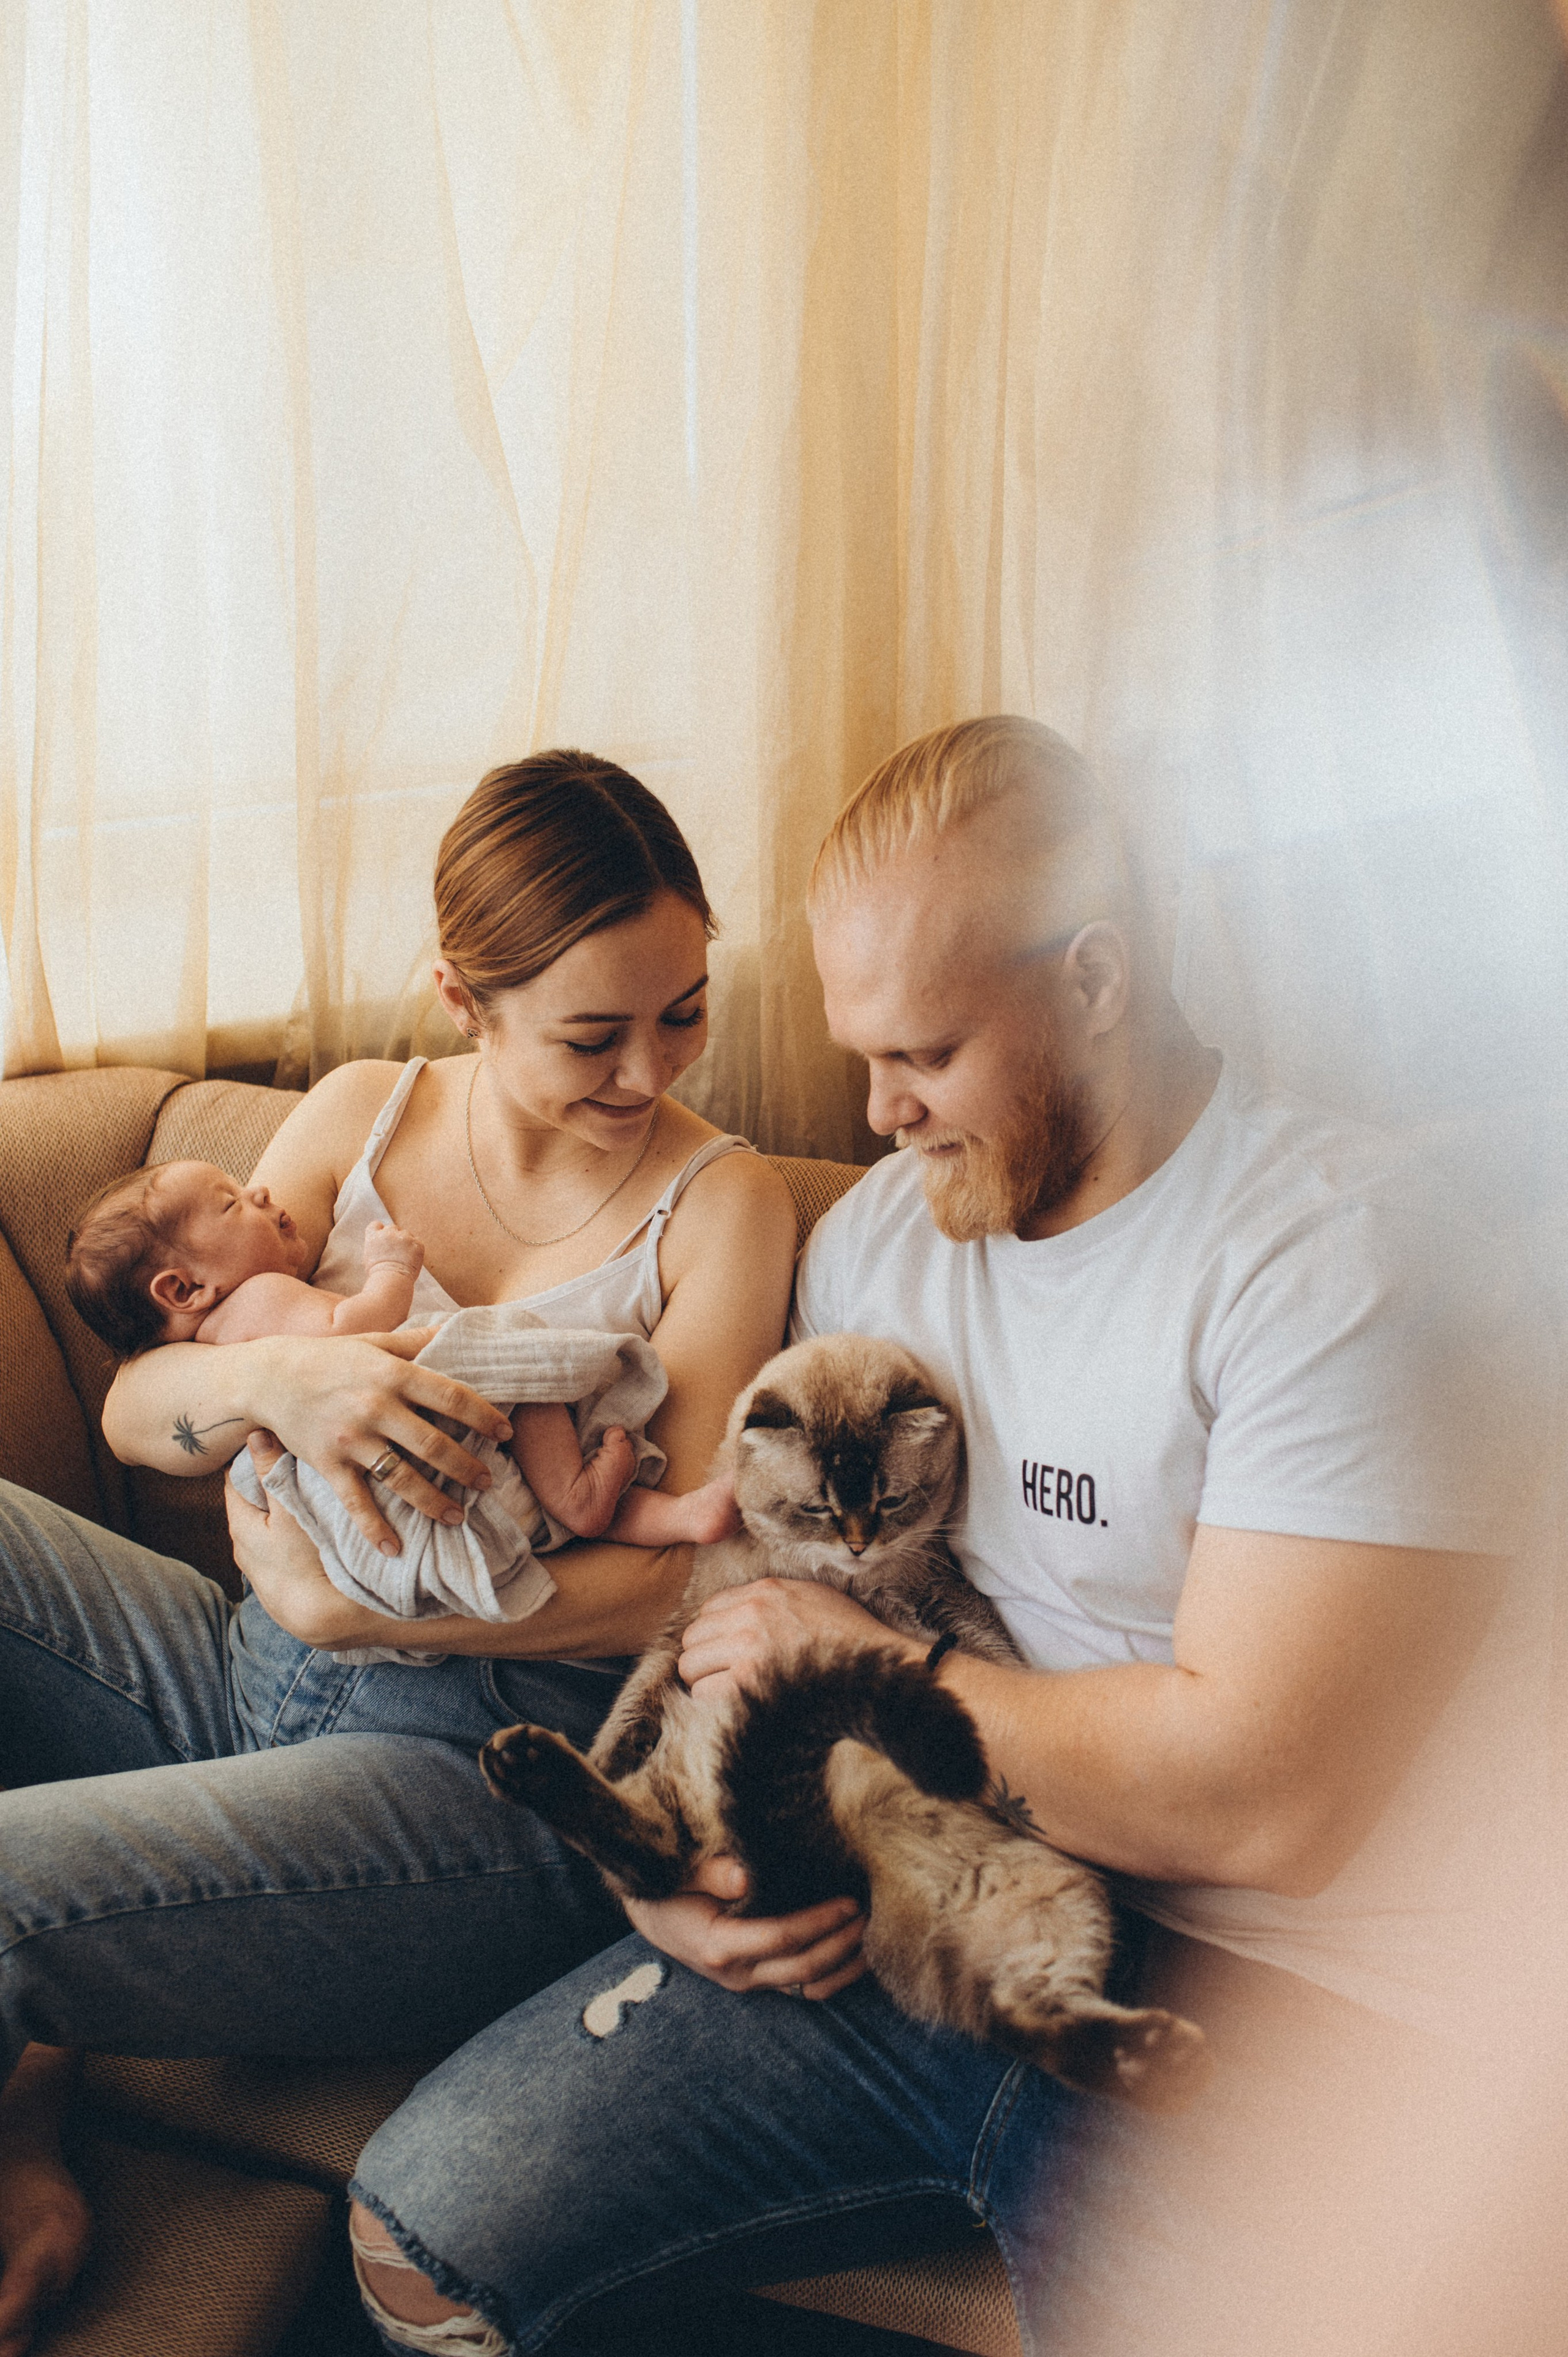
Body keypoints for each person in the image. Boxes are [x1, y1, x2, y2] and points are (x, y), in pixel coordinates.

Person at [334, 717, 1548, 2357]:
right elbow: (750, 1600)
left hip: (1293, 1997)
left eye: (922, 1052)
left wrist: (862, 1668)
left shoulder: (1338, 1265)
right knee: (420, 2236)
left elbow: (1263, 1803)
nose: (879, 1110)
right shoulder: (884, 1243)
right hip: (929, 1889)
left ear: (1095, 980)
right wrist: (672, 1885)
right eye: (862, 1055)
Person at [0, 749, 797, 2357]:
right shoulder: (358, 1114)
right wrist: (270, 1383)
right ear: (461, 999)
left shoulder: (723, 1206)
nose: (647, 1070)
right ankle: (33, 2102)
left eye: (684, 1012)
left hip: (484, 1770)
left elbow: (683, 1578)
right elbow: (144, 1403)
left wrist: (350, 1612)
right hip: (242, 1672)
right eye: (592, 1034)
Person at [64, 1162, 739, 1566]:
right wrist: (390, 1272)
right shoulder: (259, 1296)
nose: (262, 1191)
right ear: (183, 1289)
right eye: (231, 1201)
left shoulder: (205, 1345)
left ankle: (657, 1514)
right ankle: (590, 1499)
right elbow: (353, 1329)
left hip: (413, 1507)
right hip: (433, 1448)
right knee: (512, 1360)